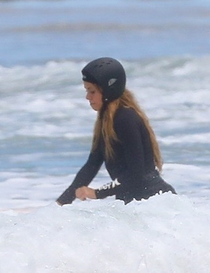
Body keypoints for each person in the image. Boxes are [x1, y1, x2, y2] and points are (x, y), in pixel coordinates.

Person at [57, 57, 175, 206]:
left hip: (158, 204)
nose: (88, 97)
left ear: (108, 90)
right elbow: (91, 166)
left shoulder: (126, 119)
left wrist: (97, 193)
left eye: (92, 91)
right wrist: (60, 204)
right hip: (138, 205)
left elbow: (136, 175)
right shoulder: (107, 122)